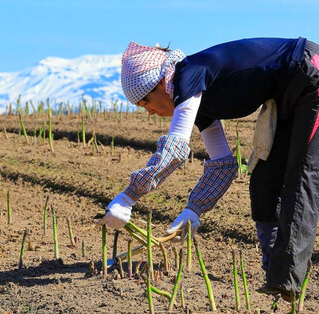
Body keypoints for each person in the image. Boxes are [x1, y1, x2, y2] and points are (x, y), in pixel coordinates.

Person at [98, 37, 319, 302]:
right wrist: (194, 209)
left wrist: (127, 198)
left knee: (301, 175)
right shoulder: (199, 98)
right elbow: (224, 165)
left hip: (309, 75)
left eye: (145, 103)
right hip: (287, 94)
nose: (150, 113)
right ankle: (275, 273)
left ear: (160, 84)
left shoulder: (189, 75)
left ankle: (288, 280)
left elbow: (175, 150)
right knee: (263, 181)